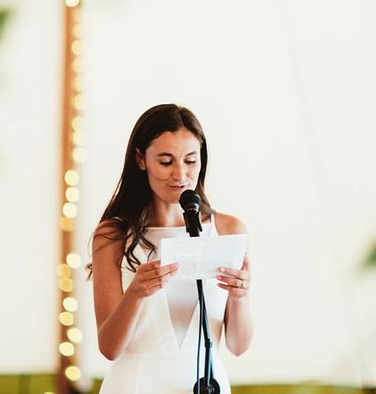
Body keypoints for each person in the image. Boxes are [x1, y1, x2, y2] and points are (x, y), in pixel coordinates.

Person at [88, 103, 253, 393]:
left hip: (206, 386)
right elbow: (109, 349)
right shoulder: (112, 236)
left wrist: (240, 297)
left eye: (191, 161)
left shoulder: (228, 230)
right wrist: (136, 293)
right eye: (166, 162)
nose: (180, 175)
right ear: (141, 160)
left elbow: (238, 346)